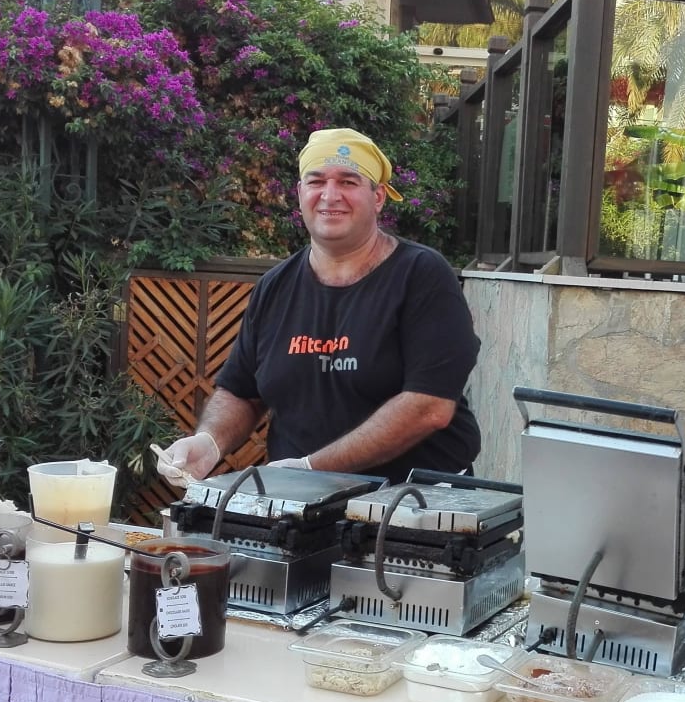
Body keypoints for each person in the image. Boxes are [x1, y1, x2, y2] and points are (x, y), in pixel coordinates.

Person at [155, 128, 481, 487]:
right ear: (300, 194)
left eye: (348, 181)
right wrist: (209, 442)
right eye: (317, 181)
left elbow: (429, 406)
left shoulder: (421, 275)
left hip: (415, 500)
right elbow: (242, 392)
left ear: (378, 197)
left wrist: (313, 467)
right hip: (301, 502)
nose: (330, 195)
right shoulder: (274, 286)